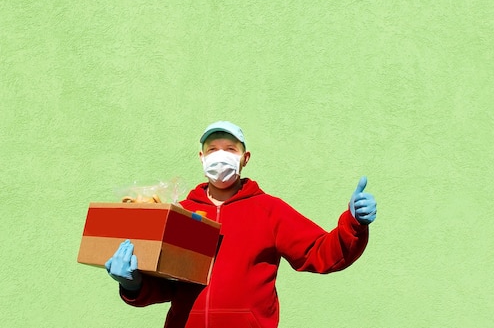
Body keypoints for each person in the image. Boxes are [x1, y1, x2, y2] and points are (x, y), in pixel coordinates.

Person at [105, 120, 377, 328]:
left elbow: (320, 252)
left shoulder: (269, 210)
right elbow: (168, 287)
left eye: (230, 149)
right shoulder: (183, 214)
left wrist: (353, 223)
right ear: (201, 158)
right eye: (212, 149)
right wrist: (133, 283)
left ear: (245, 159)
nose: (220, 156)